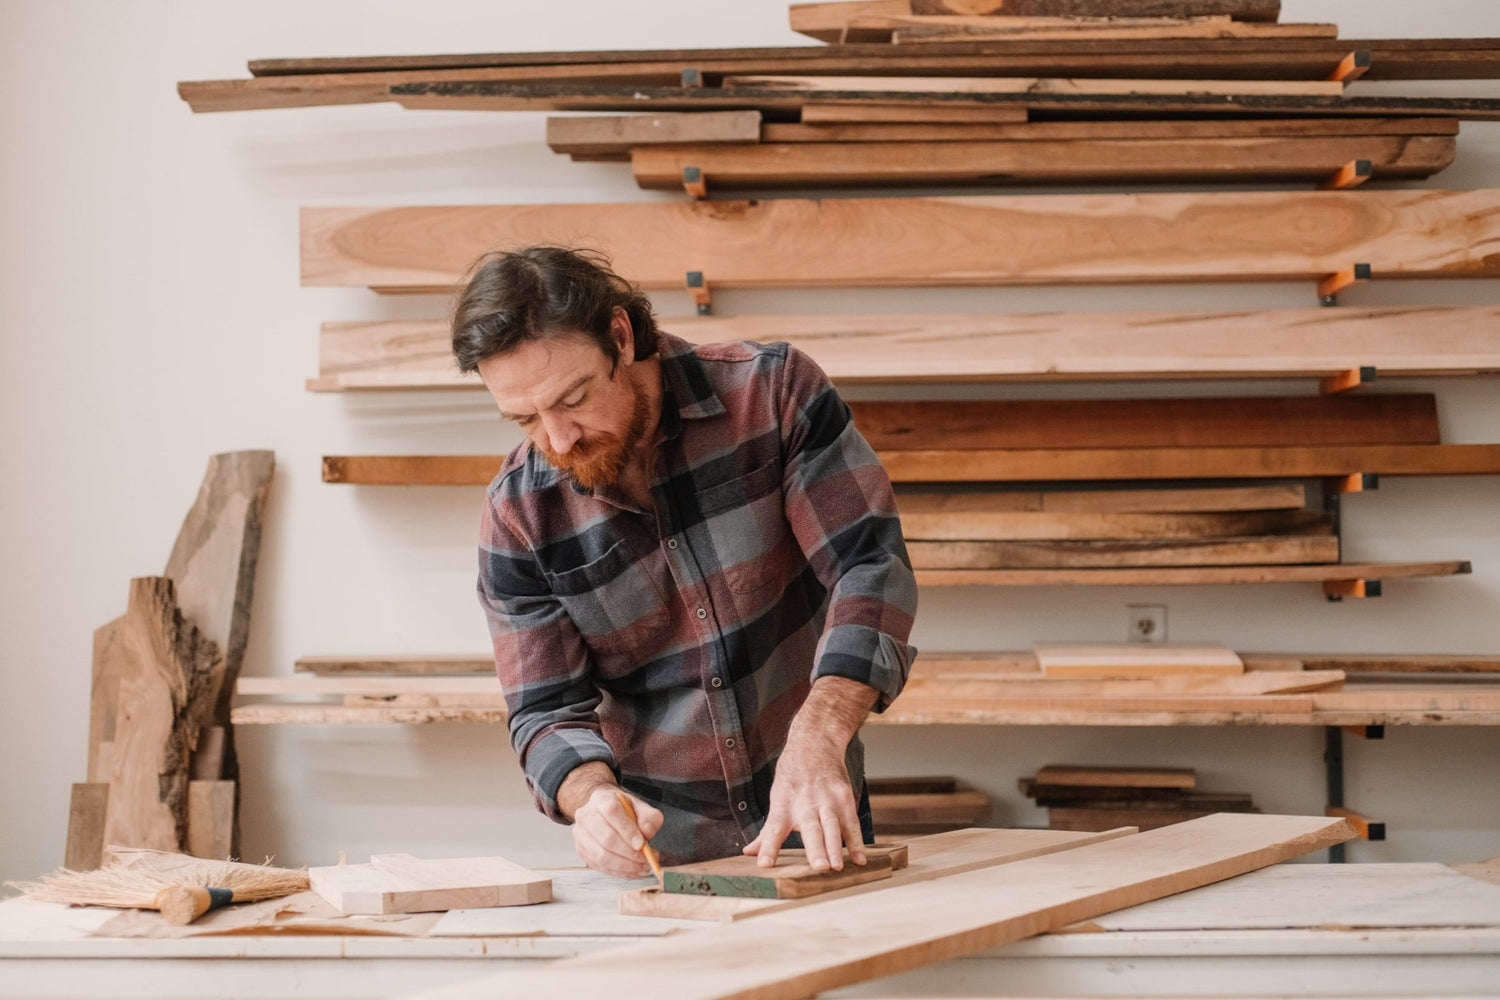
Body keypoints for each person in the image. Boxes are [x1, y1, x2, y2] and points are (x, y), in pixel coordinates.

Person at [452, 246, 916, 878]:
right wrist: (590, 799)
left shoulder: (772, 392)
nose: (559, 439)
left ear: (619, 336)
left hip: (814, 815)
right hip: (661, 860)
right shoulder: (519, 515)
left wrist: (820, 734)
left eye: (575, 397)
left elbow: (869, 565)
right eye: (526, 418)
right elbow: (543, 710)